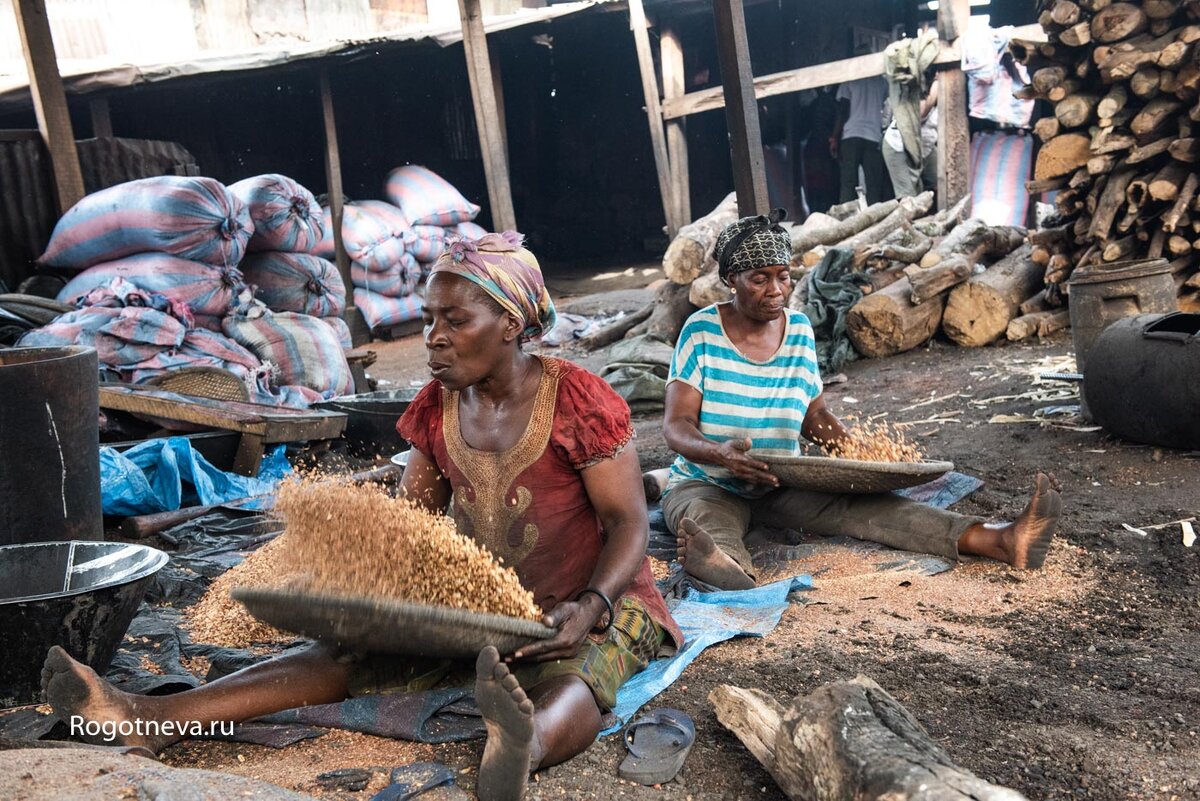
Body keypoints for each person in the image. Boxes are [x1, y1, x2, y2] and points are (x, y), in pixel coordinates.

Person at [41, 232, 682, 801]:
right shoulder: (437, 405)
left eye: (455, 320)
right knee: (341, 655)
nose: (433, 336)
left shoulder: (576, 398)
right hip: (482, 613)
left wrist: (592, 605)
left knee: (578, 676)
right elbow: (412, 524)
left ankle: (524, 746)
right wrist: (372, 595)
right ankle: (150, 717)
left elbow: (627, 521)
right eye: (430, 318)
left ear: (512, 323)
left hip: (586, 600)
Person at [660, 211, 1062, 591]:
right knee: (705, 520)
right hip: (707, 480)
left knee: (867, 506)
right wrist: (720, 455)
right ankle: (724, 567)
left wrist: (856, 456)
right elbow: (676, 426)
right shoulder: (701, 332)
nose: (776, 290)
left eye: (783, 277)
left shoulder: (798, 329)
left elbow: (813, 414)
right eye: (759, 279)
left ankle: (1001, 540)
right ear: (732, 278)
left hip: (780, 479)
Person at [830, 46, 890, 204]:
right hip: (873, 136)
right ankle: (874, 218)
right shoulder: (881, 83)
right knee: (873, 183)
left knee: (848, 182)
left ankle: (846, 218)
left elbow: (842, 111)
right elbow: (885, 103)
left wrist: (834, 137)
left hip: (851, 135)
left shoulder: (850, 80)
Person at [883, 80, 939, 198]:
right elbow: (920, 113)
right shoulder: (920, 90)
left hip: (925, 147)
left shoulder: (945, 96)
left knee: (942, 181)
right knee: (908, 197)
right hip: (898, 147)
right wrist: (935, 88)